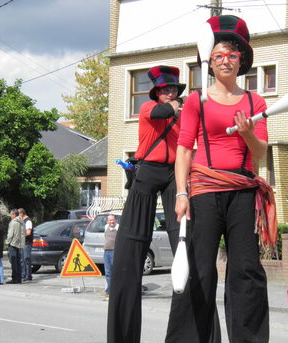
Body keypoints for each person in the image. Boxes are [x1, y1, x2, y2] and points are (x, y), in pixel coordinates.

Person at [166, 15, 276, 343]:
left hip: (242, 192)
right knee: (199, 270)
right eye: (218, 55)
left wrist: (247, 133)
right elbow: (184, 151)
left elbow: (260, 153)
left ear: (242, 60)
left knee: (246, 271)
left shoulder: (255, 102)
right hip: (204, 192)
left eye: (232, 54)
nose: (225, 60)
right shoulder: (196, 102)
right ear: (209, 62)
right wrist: (181, 194)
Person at [108, 66, 185, 343]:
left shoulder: (179, 113)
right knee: (134, 237)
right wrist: (178, 106)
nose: (171, 93)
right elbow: (164, 113)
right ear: (157, 93)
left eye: (174, 89)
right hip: (148, 170)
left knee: (182, 234)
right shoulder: (148, 109)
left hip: (172, 173)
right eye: (166, 90)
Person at [6, 209, 25, 284]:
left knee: (13, 261)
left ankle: (14, 278)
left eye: (11, 214)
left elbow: (11, 234)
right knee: (18, 261)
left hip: (13, 243)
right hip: (19, 244)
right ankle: (19, 277)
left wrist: (7, 241)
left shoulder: (13, 222)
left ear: (14, 214)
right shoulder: (21, 221)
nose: (10, 216)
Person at [103, 214, 118, 296]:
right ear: (107, 221)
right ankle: (109, 291)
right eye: (110, 220)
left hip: (114, 252)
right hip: (106, 252)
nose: (112, 221)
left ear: (115, 220)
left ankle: (115, 290)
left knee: (115, 272)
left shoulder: (118, 227)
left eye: (113, 220)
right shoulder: (106, 227)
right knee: (108, 272)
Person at [19, 208, 33, 281]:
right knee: (22, 259)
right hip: (22, 242)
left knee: (26, 259)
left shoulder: (28, 221)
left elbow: (28, 233)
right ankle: (23, 274)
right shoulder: (22, 221)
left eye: (19, 214)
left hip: (27, 243)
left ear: (22, 213)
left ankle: (28, 275)